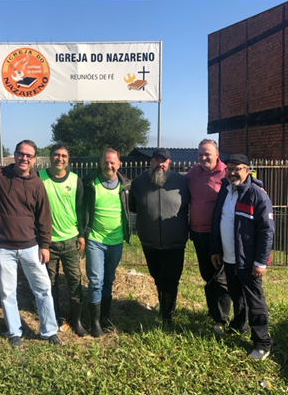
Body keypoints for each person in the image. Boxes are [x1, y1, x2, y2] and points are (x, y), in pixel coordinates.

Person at [0, 140, 61, 346]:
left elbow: (44, 217)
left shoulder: (37, 183)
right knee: (8, 292)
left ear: (34, 159)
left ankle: (49, 330)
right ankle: (14, 333)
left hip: (31, 247)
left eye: (29, 155)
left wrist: (45, 245)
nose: (24, 158)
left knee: (43, 289)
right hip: (3, 248)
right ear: (14, 154)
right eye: (21, 154)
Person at [211, 154, 274, 360]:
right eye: (229, 169)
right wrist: (216, 250)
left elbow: (267, 231)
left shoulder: (257, 195)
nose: (232, 172)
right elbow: (218, 221)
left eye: (237, 169)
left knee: (255, 302)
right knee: (236, 295)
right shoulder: (226, 190)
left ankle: (262, 344)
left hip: (248, 261)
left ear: (248, 169)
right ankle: (239, 326)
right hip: (229, 258)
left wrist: (260, 262)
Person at [129, 148, 190, 328]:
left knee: (170, 279)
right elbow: (133, 207)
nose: (160, 164)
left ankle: (167, 316)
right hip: (150, 241)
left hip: (175, 243)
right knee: (157, 277)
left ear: (170, 163)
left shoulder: (183, 182)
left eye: (164, 161)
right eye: (157, 160)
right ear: (151, 161)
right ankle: (163, 307)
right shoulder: (139, 183)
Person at [37, 142, 87, 337]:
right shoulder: (39, 178)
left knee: (75, 281)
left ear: (68, 160)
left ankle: (77, 320)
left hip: (71, 240)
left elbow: (81, 209)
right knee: (50, 282)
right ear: (50, 156)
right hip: (47, 242)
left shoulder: (75, 180)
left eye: (64, 156)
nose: (60, 159)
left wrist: (82, 234)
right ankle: (55, 318)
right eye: (56, 155)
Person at [83, 148, 131, 337]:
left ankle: (104, 316)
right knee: (96, 281)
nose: (109, 165)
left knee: (109, 279)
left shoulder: (126, 185)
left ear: (119, 164)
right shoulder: (89, 182)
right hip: (95, 240)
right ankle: (94, 323)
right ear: (100, 162)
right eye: (106, 161)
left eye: (113, 162)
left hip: (116, 241)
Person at [186, 139, 232, 335]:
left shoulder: (226, 173)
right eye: (200, 155)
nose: (203, 158)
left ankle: (221, 319)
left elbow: (246, 183)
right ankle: (213, 311)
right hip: (197, 233)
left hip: (218, 235)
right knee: (207, 275)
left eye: (207, 154)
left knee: (220, 277)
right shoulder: (194, 172)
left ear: (217, 154)